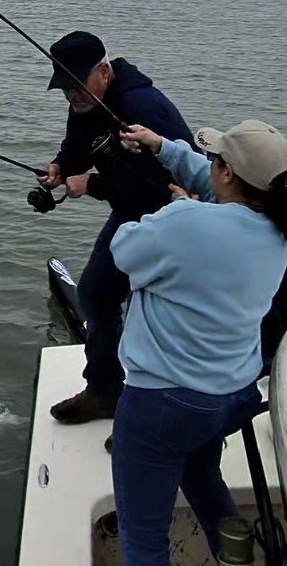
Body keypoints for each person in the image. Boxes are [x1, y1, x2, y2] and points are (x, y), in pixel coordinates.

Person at [107, 118, 287, 566]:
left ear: (226, 174)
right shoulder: (280, 233)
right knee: (205, 481)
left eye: (214, 160)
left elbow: (123, 252)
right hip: (231, 396)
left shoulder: (189, 223)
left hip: (163, 404)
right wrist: (165, 149)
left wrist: (176, 211)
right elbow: (220, 196)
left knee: (144, 547)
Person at [39, 31, 195, 424]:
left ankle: (154, 417)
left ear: (104, 72)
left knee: (154, 314)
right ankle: (104, 392)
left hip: (174, 217)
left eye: (77, 86)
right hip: (131, 212)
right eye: (64, 89)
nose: (72, 97)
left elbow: (156, 185)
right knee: (97, 293)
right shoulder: (85, 103)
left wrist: (89, 184)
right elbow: (78, 143)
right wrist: (62, 168)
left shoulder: (141, 106)